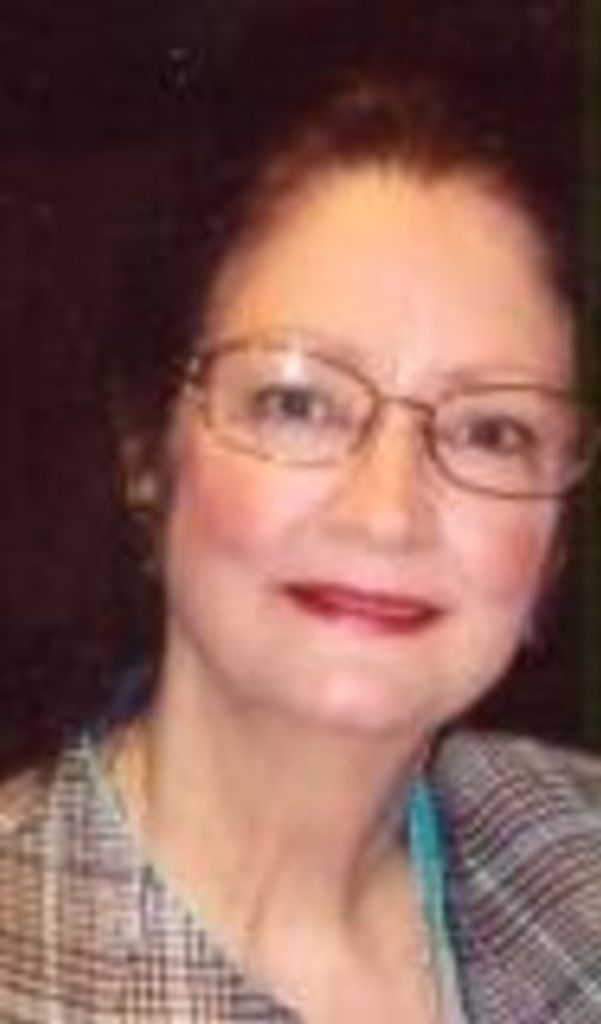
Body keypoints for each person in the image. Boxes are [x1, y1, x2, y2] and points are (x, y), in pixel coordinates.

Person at [0, 0, 599, 1020]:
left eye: (489, 430)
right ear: (147, 449)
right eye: (297, 402)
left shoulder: (570, 843)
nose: (387, 514)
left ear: (554, 540)